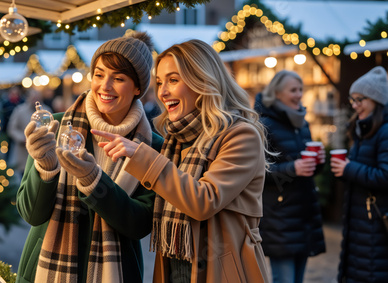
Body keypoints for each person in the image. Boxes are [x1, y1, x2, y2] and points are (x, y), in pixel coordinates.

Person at [92, 39, 271, 282]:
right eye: (159, 82)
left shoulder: (241, 135)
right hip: (175, 271)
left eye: (173, 80)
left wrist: (143, 156)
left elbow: (203, 201)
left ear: (203, 80)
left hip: (223, 272)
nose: (163, 92)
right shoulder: (176, 141)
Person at [15, 31, 163, 283]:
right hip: (44, 269)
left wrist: (95, 181)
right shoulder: (56, 128)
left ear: (138, 87)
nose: (104, 86)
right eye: (99, 74)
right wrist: (46, 168)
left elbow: (139, 224)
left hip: (116, 273)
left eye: (118, 78)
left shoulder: (152, 147)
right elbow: (31, 214)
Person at [253, 70, 326, 283]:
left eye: (301, 89)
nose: (299, 95)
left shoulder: (302, 124)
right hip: (280, 217)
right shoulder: (263, 124)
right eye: (293, 90)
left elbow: (306, 168)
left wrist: (317, 162)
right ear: (276, 93)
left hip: (304, 213)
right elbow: (257, 173)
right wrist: (292, 169)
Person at [331, 66, 388, 283]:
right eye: (352, 100)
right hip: (362, 221)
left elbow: (385, 175)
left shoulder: (384, 130)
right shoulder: (364, 128)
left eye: (359, 99)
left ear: (376, 99)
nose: (354, 105)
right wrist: (344, 171)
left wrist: (349, 169)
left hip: (375, 223)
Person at [7, 89, 51, 176]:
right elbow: (12, 128)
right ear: (28, 98)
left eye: (37, 98)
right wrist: (22, 138)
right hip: (23, 152)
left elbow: (51, 128)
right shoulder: (19, 110)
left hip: (42, 151)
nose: (35, 101)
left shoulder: (47, 111)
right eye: (33, 98)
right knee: (24, 176)